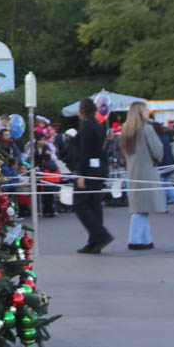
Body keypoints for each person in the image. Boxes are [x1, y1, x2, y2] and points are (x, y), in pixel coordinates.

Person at [120, 103, 167, 249]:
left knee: (140, 206)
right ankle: (135, 239)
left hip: (133, 170)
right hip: (146, 171)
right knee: (141, 208)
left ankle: (146, 238)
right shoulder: (146, 129)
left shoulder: (126, 130)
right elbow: (157, 150)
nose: (148, 112)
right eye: (146, 110)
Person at [73, 97, 112, 253]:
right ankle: (94, 241)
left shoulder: (86, 128)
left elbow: (85, 152)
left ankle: (100, 235)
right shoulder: (97, 126)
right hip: (98, 168)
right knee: (94, 204)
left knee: (80, 204)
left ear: (82, 110)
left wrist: (81, 174)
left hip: (89, 170)